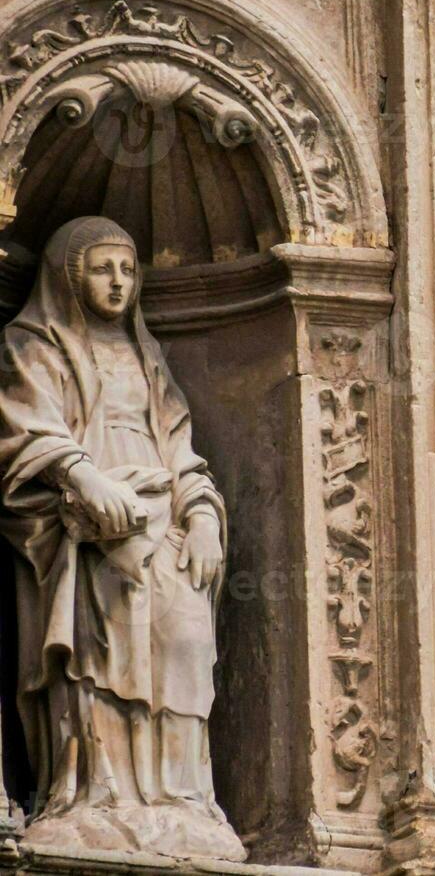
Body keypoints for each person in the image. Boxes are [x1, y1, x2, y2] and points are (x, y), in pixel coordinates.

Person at [0, 216, 242, 859]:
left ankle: (183, 796)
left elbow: (181, 448)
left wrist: (204, 517)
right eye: (103, 268)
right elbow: (26, 428)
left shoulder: (146, 353)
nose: (118, 282)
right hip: (87, 528)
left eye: (129, 270)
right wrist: (82, 477)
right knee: (101, 654)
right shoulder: (33, 343)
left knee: (187, 638)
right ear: (69, 274)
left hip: (160, 514)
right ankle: (95, 794)